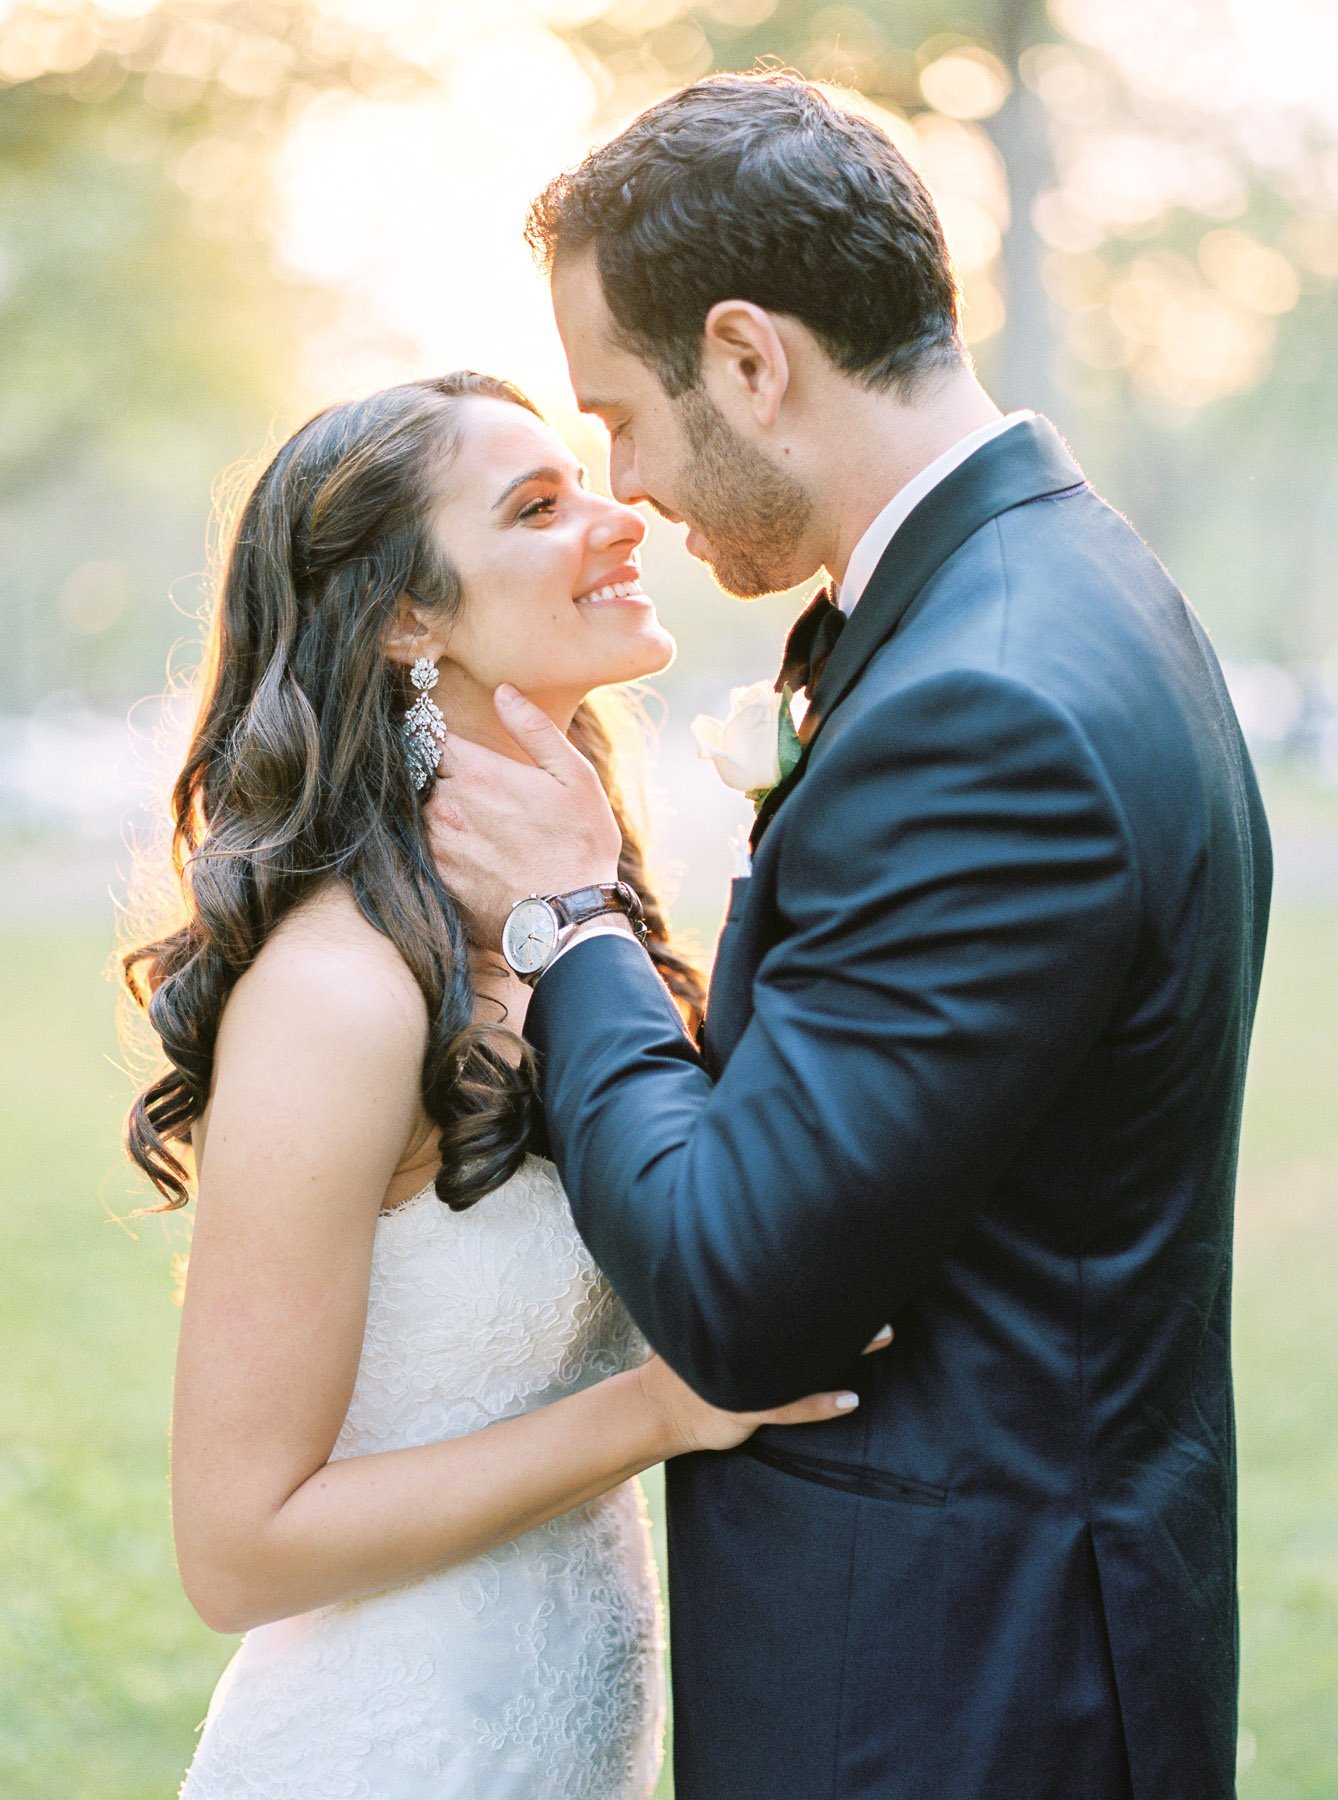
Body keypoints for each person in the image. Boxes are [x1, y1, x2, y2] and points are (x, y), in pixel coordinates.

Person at [431, 74, 1273, 1799]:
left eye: (624, 419)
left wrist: (572, 918)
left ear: (749, 359)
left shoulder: (983, 702)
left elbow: (741, 1296)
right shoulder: (1057, 588)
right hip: (1015, 1637)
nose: (633, 489)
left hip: (951, 1690)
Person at [122, 370, 875, 1798]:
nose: (621, 520)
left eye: (590, 480)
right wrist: (658, 1411)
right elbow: (236, 1546)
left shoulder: (574, 926)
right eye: (540, 508)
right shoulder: (339, 994)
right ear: (410, 616)